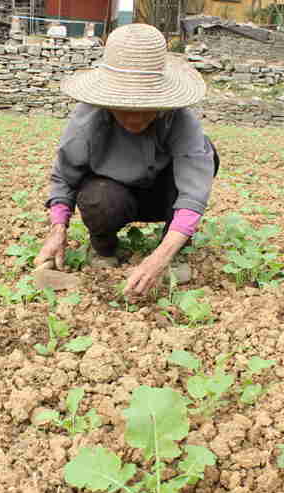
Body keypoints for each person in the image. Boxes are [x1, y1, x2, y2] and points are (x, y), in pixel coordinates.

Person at [33, 23, 219, 296]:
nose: (134, 117)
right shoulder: (87, 121)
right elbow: (64, 178)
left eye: (145, 107)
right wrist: (57, 231)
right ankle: (103, 249)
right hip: (112, 195)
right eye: (124, 108)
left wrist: (160, 258)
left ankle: (174, 248)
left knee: (207, 154)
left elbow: (194, 191)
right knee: (99, 198)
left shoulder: (179, 119)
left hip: (162, 195)